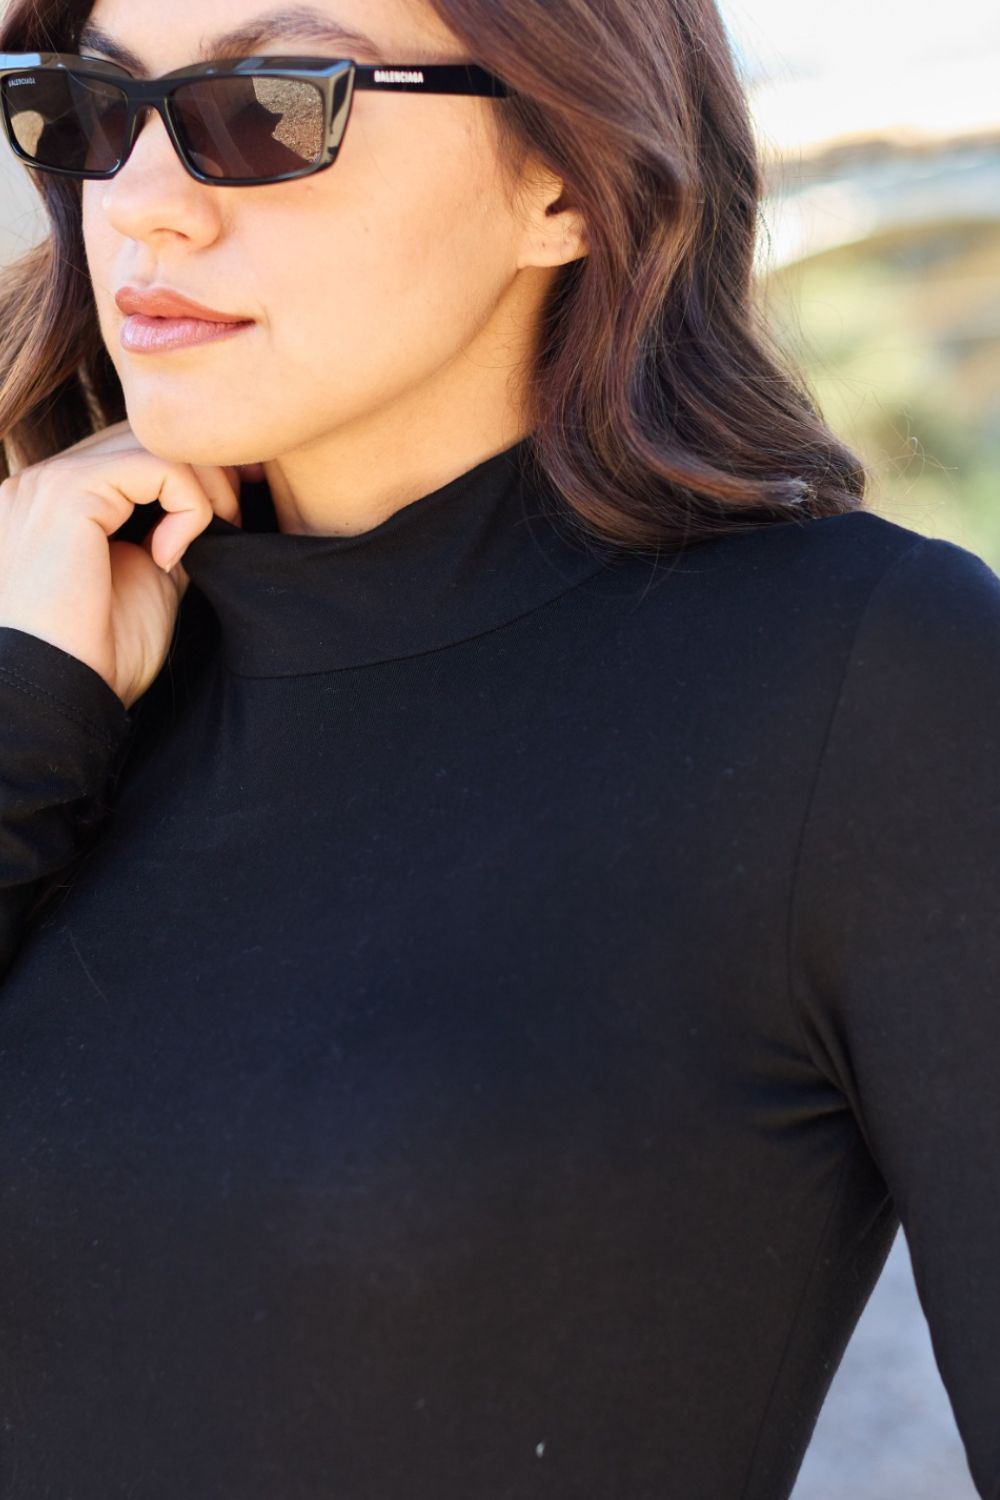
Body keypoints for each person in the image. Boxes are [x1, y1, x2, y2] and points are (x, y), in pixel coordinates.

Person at [0, 0, 998, 1496]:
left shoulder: (863, 684)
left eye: (270, 106)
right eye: (85, 107)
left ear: (564, 176)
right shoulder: (63, 679)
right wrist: (27, 716)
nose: (136, 200)